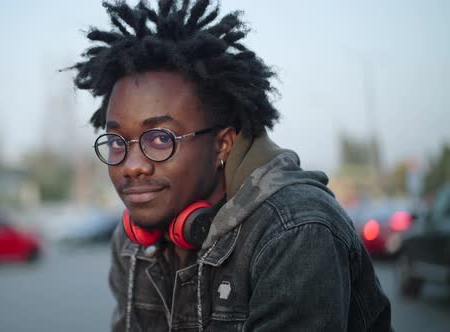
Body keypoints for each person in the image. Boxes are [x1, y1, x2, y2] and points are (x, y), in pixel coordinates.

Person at [71, 1, 392, 331]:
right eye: (116, 142)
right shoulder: (131, 242)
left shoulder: (296, 230)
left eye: (160, 139)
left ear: (221, 144)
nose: (131, 166)